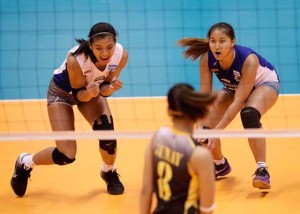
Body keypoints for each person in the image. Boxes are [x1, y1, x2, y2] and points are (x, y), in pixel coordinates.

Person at [10, 22, 128, 197]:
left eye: (109, 47)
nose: (105, 53)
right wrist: (90, 92)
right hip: (63, 94)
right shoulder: (76, 59)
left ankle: (109, 171)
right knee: (66, 155)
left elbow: (104, 87)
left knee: (107, 135)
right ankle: (25, 162)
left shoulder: (120, 55)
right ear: (90, 45)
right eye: (98, 48)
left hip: (91, 90)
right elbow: (79, 95)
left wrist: (109, 89)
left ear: (115, 44)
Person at [177, 22, 280, 189]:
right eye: (213, 41)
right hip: (234, 87)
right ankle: (220, 164)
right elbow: (205, 97)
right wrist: (200, 127)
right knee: (205, 128)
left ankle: (262, 169)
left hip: (264, 85)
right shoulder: (207, 59)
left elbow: (240, 101)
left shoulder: (248, 60)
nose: (217, 46)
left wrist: (218, 131)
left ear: (233, 42)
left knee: (248, 114)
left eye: (222, 41)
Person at [140, 83, 216, 214]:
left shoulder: (157, 138)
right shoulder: (199, 155)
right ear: (195, 109)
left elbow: (146, 190)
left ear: (169, 111)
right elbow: (206, 209)